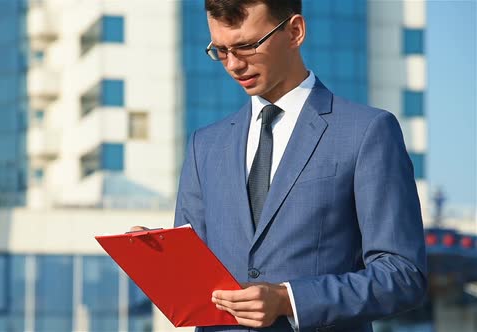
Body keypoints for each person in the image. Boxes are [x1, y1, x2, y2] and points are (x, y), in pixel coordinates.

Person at [135, 1, 426, 331]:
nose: (233, 64)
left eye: (246, 46)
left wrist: (290, 299)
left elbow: (403, 274)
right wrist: (159, 258)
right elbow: (195, 281)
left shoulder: (367, 132)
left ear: (294, 31)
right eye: (220, 51)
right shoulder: (204, 146)